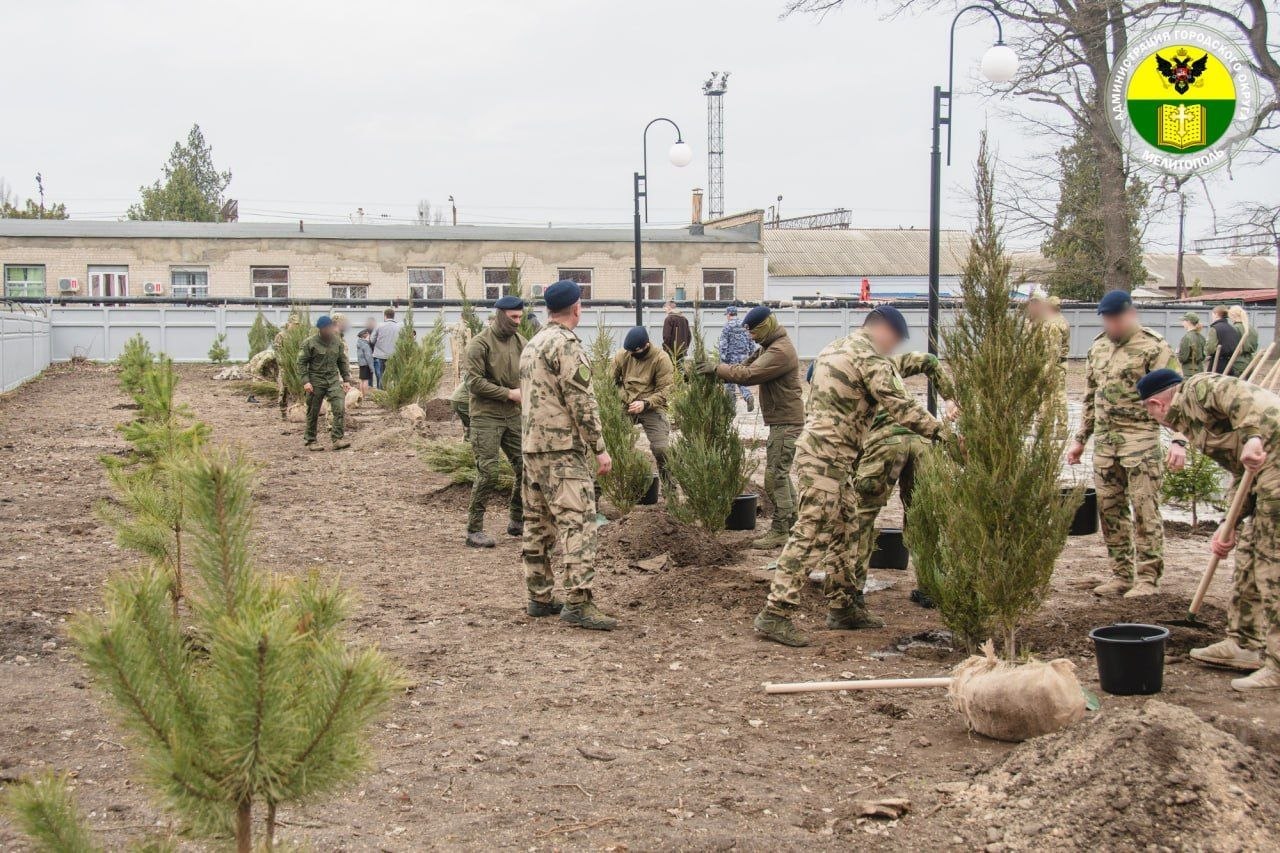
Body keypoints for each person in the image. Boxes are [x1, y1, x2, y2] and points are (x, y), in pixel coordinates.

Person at [753, 307, 947, 647]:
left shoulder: (835, 347)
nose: (894, 347)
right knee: (810, 533)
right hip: (826, 458)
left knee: (847, 527)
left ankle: (844, 607)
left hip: (831, 457)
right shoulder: (869, 357)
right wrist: (942, 433)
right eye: (895, 339)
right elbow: (902, 407)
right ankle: (775, 613)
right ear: (883, 330)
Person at [1139, 368, 1280, 691]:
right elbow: (1240, 473)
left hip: (1276, 464)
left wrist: (1254, 437)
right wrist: (1227, 525)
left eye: (1149, 411)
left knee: (1273, 567)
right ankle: (1243, 644)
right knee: (1248, 559)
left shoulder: (1198, 389)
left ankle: (1278, 664)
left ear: (1157, 405)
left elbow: (1247, 400)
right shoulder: (1190, 422)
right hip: (1263, 476)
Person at [1066, 290, 1184, 598]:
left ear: (1130, 314)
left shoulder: (1153, 347)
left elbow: (1176, 399)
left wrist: (1179, 440)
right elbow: (1090, 397)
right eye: (1106, 319)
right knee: (1109, 510)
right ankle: (1121, 574)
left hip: (1140, 440)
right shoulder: (1099, 347)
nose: (1111, 325)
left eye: (1115, 318)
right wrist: (1080, 440)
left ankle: (1148, 578)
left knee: (1145, 511)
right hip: (1105, 444)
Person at [520, 280, 615, 630]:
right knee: (578, 523)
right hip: (562, 451)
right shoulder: (566, 345)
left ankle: (539, 596)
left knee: (538, 524)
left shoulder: (533, 344)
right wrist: (600, 449)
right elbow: (582, 402)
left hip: (533, 450)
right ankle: (578, 601)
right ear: (577, 308)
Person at [840, 352, 957, 606]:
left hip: (884, 445)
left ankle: (853, 594)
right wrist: (949, 398)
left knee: (861, 517)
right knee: (922, 517)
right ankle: (930, 588)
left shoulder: (840, 386)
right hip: (922, 441)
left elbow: (847, 441)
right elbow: (929, 361)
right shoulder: (886, 363)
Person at [695, 305, 803, 549]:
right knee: (780, 476)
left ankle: (780, 530)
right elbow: (743, 365)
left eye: (754, 333)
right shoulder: (768, 346)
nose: (751, 338)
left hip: (787, 423)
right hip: (781, 420)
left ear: (765, 327)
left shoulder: (780, 351)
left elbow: (749, 375)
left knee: (774, 478)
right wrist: (715, 373)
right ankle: (794, 524)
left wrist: (716, 368)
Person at [463, 296, 527, 548]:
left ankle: (517, 519)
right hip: (486, 416)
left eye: (520, 317)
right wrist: (509, 393)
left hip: (512, 416)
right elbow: (473, 383)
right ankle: (474, 530)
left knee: (527, 467)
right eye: (513, 317)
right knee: (488, 472)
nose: (518, 322)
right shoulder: (479, 344)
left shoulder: (521, 343)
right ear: (500, 315)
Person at [612, 327, 676, 487]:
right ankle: (611, 490)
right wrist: (622, 396)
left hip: (652, 407)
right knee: (609, 443)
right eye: (630, 352)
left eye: (636, 351)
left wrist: (645, 403)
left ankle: (670, 491)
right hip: (626, 404)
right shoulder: (623, 355)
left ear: (646, 345)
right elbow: (609, 382)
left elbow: (666, 390)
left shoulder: (661, 359)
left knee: (662, 449)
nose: (632, 355)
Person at [298, 315, 352, 451]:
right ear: (320, 329)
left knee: (339, 407)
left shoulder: (337, 342)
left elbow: (342, 361)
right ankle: (311, 440)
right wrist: (306, 381)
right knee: (313, 411)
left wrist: (346, 379)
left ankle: (337, 439)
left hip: (333, 380)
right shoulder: (310, 343)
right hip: (316, 380)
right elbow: (301, 363)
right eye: (325, 328)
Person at [717, 306, 755, 412]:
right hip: (744, 357)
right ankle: (747, 396)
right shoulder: (744, 325)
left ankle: (730, 407)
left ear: (729, 314)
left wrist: (722, 359)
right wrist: (751, 355)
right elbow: (751, 341)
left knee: (730, 380)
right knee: (741, 378)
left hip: (731, 358)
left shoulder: (727, 326)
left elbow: (723, 344)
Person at [273, 315, 299, 420]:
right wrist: (284, 363)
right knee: (284, 390)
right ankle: (283, 411)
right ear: (289, 323)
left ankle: (298, 410)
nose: (296, 327)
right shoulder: (281, 336)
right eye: (295, 324)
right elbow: (278, 352)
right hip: (285, 367)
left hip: (296, 367)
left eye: (298, 325)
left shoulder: (297, 336)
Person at [369, 307, 400, 388]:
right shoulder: (400, 326)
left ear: (385, 316)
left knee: (381, 377)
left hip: (380, 355)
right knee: (396, 376)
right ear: (393, 316)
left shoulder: (379, 326)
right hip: (395, 355)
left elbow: (372, 340)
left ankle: (381, 395)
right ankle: (395, 393)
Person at [1205, 305, 1241, 374]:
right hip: (1230, 364)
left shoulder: (1215, 328)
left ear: (1216, 314)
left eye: (1212, 314)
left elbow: (1210, 348)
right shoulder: (1232, 328)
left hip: (1216, 364)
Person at [1229, 305, 1257, 378]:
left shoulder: (1234, 328)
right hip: (1250, 362)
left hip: (1237, 363)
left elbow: (1231, 347)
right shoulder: (1251, 328)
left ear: (1232, 315)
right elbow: (1255, 346)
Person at [662, 300, 692, 364]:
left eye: (665, 309)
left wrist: (666, 349)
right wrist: (685, 348)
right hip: (683, 352)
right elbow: (689, 336)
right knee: (681, 371)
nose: (665, 312)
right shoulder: (684, 319)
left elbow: (666, 337)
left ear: (669, 307)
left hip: (672, 353)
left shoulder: (669, 319)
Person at [356, 328, 374, 396]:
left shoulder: (359, 343)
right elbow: (368, 357)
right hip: (366, 364)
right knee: (366, 380)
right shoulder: (365, 345)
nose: (369, 337)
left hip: (361, 364)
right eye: (369, 336)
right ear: (365, 336)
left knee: (362, 380)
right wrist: (371, 368)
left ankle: (361, 394)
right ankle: (365, 395)